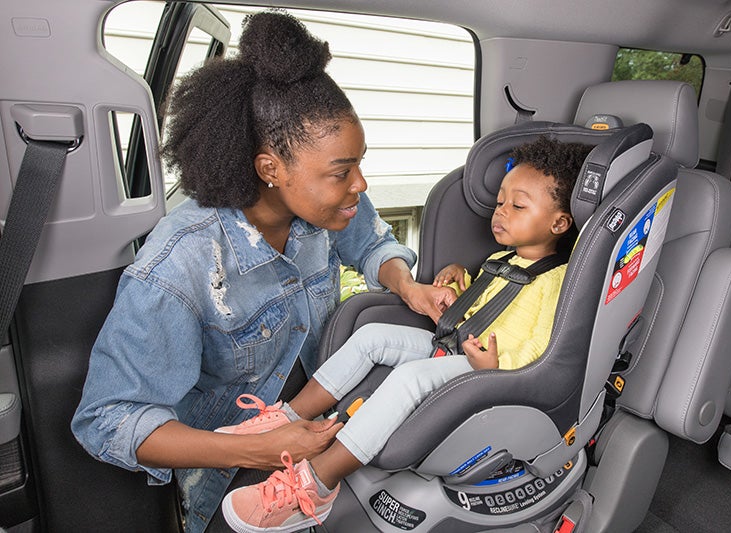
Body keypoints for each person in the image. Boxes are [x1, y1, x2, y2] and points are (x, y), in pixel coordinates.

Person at [70, 10, 454, 533]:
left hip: (311, 418)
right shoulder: (178, 268)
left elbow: (370, 241)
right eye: (342, 171)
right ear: (271, 169)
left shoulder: (326, 204)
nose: (359, 185)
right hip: (229, 471)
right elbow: (106, 420)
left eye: (360, 163)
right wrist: (259, 449)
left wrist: (406, 285)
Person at [219, 136, 594, 532]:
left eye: (517, 206)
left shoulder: (559, 280)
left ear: (559, 223)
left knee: (408, 378)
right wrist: (458, 279)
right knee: (372, 337)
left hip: (492, 371)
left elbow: (545, 342)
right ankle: (289, 416)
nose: (501, 212)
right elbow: (489, 304)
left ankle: (317, 485)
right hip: (454, 347)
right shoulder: (502, 259)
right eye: (500, 202)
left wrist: (497, 365)